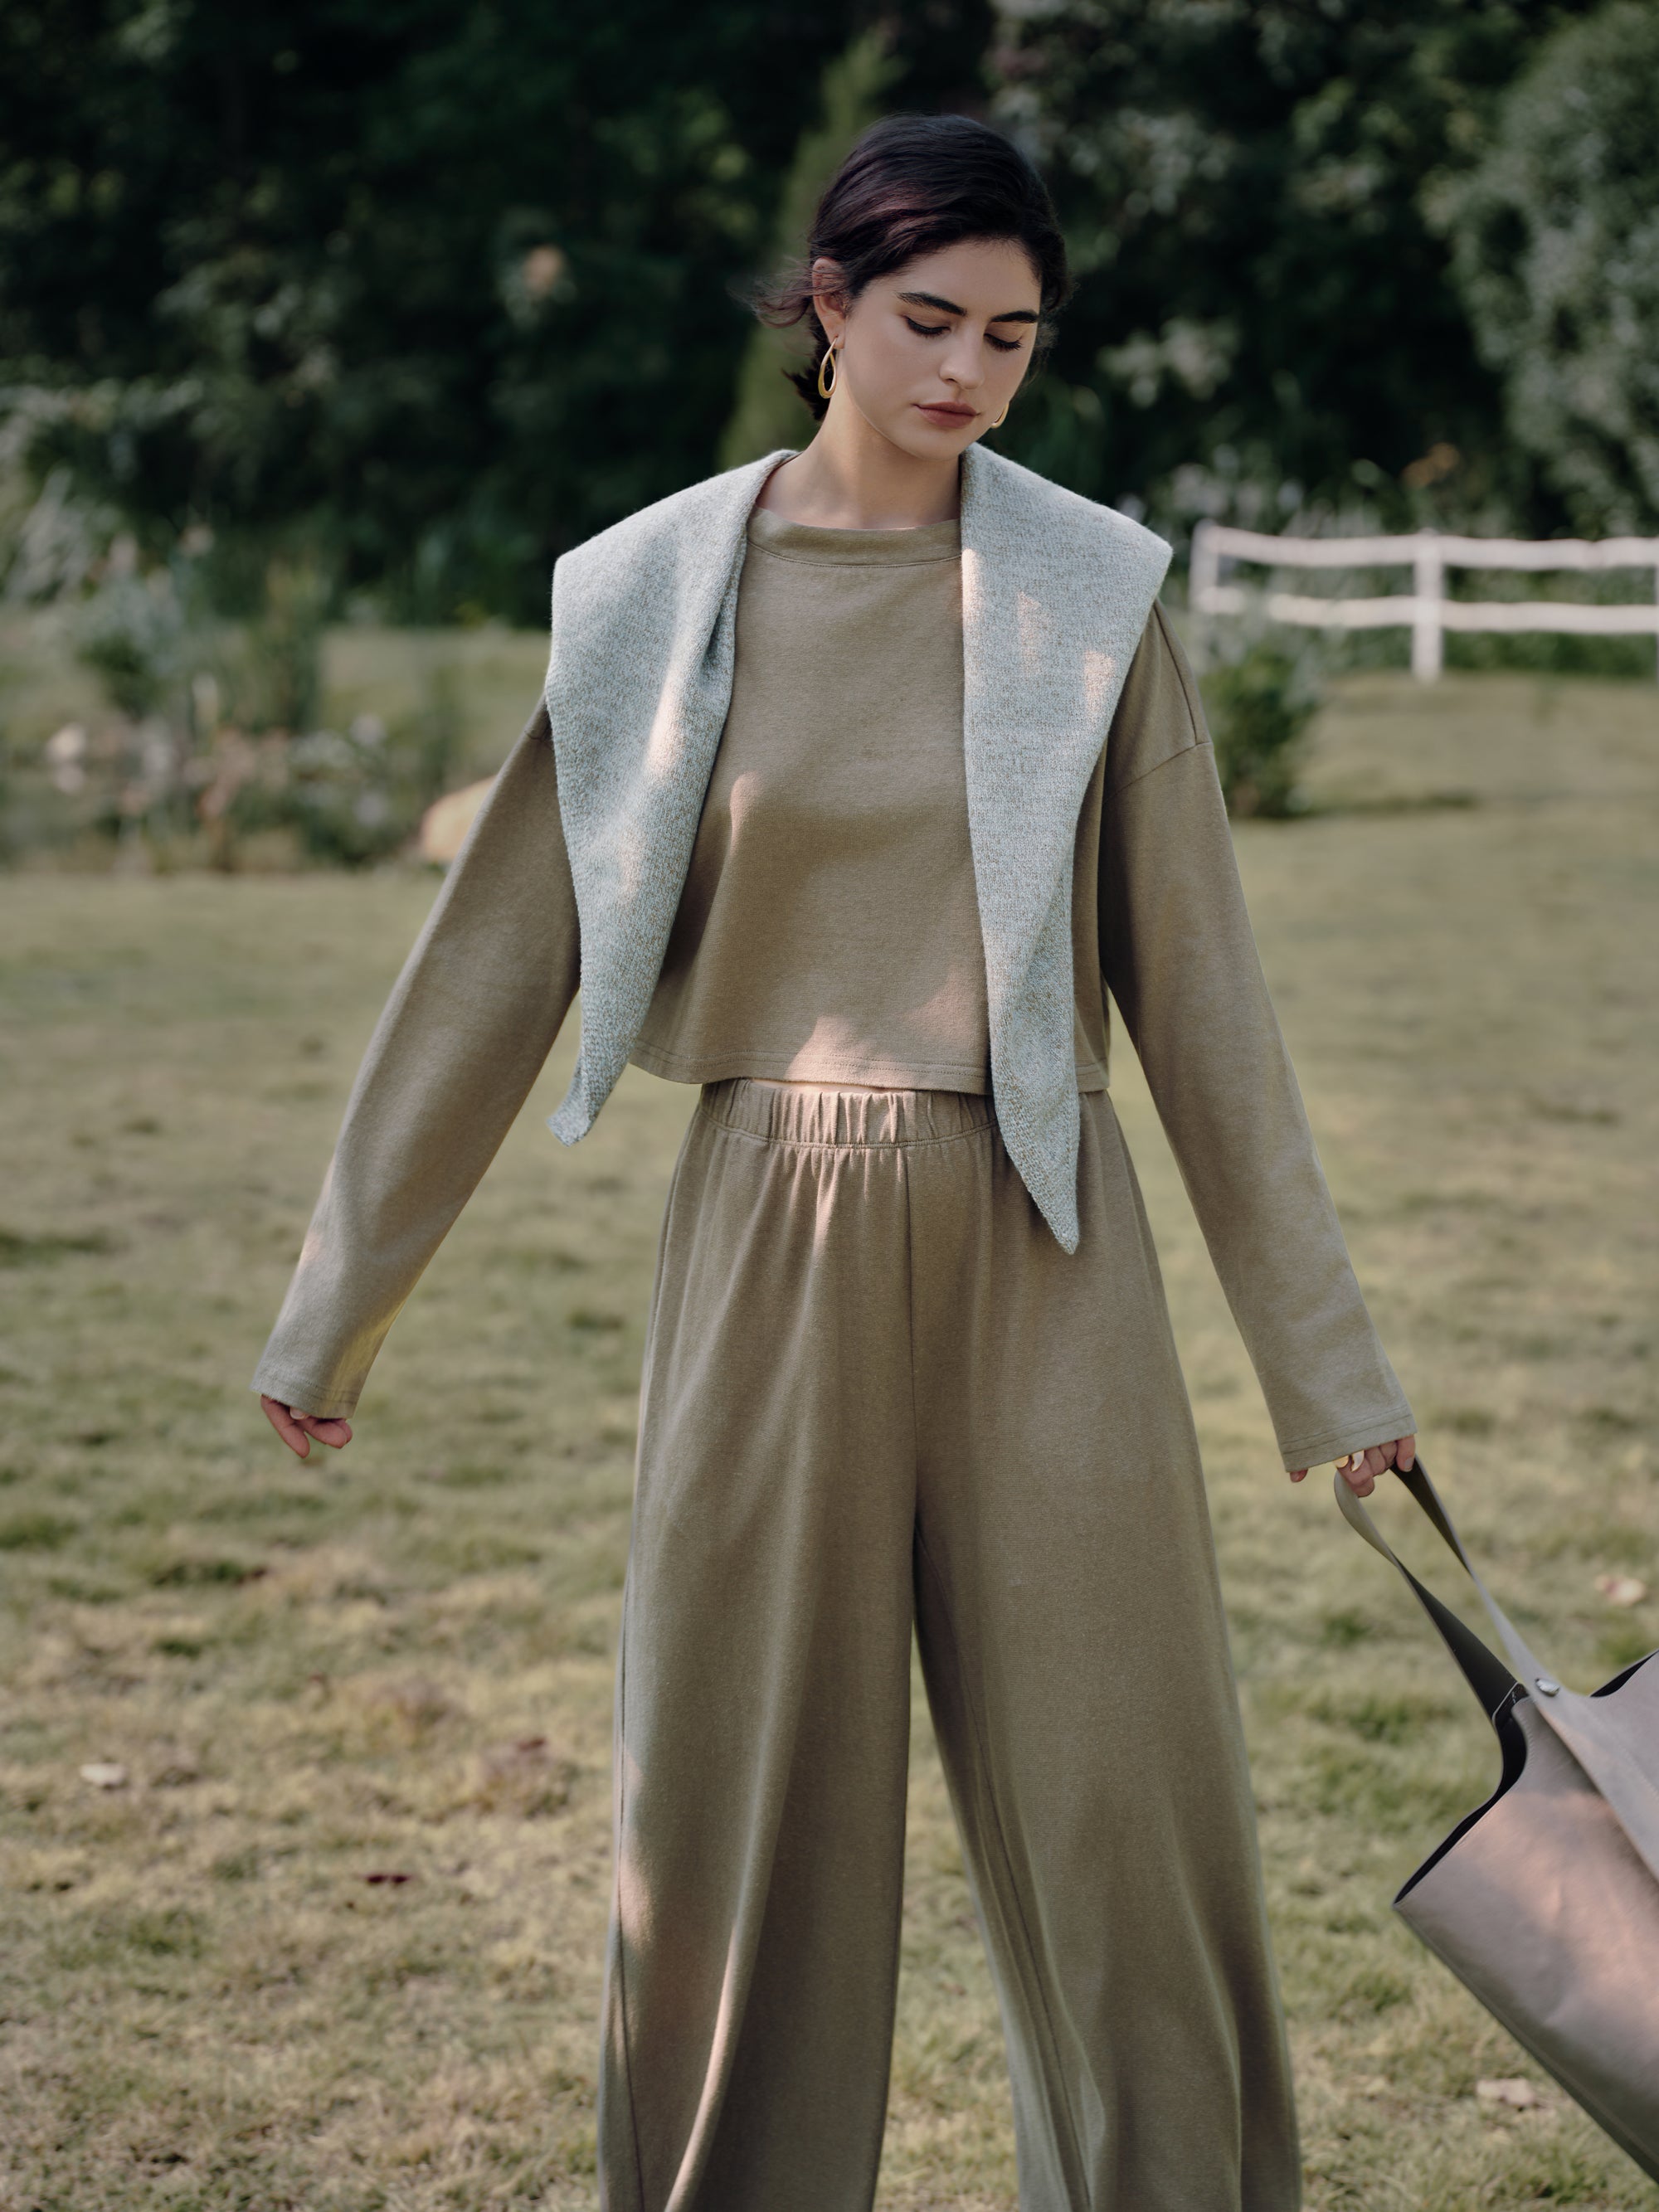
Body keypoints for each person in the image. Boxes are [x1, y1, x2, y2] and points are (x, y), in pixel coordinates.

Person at [251, 114, 1414, 2212]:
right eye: (925, 318)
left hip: (1046, 1231)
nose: (966, 369)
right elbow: (496, 958)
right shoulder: (653, 593)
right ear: (826, 305)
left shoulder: (1088, 591)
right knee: (731, 1823)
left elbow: (1209, 1009)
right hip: (763, 1232)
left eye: (1014, 335)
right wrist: (336, 1301)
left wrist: (1330, 1378)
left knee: (1125, 1819)